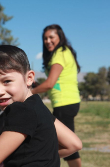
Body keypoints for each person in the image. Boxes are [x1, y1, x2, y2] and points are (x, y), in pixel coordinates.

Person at [32, 24, 82, 167]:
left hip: (64, 103)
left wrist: (29, 92)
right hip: (66, 102)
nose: (48, 41)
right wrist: (36, 86)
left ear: (60, 37)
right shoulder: (63, 52)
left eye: (51, 37)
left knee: (66, 144)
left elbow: (50, 84)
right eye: (45, 38)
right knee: (63, 142)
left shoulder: (60, 52)